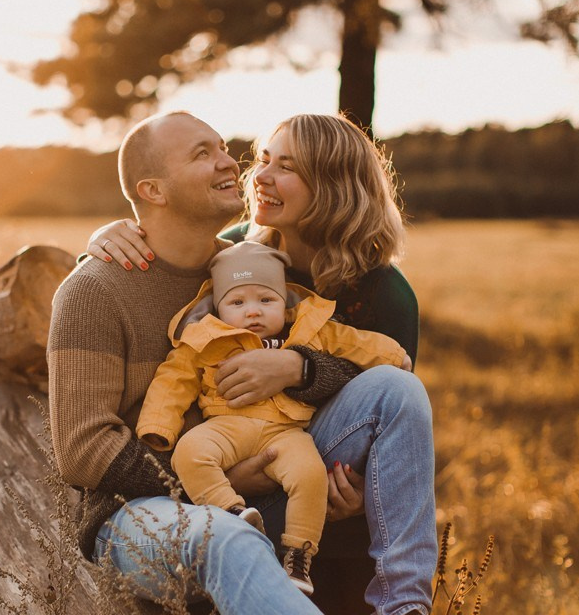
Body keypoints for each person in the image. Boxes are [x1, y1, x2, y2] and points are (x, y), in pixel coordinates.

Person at [49, 109, 492, 615]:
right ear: (152, 191)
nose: (236, 164)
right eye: (208, 154)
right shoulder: (98, 285)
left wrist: (299, 372)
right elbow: (82, 454)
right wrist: (225, 481)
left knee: (398, 393)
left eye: (230, 150)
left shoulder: (236, 269)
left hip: (281, 473)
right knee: (226, 537)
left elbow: (365, 364)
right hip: (139, 510)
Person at [137, 240, 410, 593]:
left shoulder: (309, 330)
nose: (253, 312)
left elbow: (355, 342)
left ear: (285, 301)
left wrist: (393, 355)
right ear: (218, 307)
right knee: (189, 452)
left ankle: (299, 556)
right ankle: (232, 513)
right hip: (226, 426)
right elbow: (173, 381)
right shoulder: (205, 338)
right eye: (237, 302)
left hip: (286, 431)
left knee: (310, 475)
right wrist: (158, 426)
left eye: (266, 300)